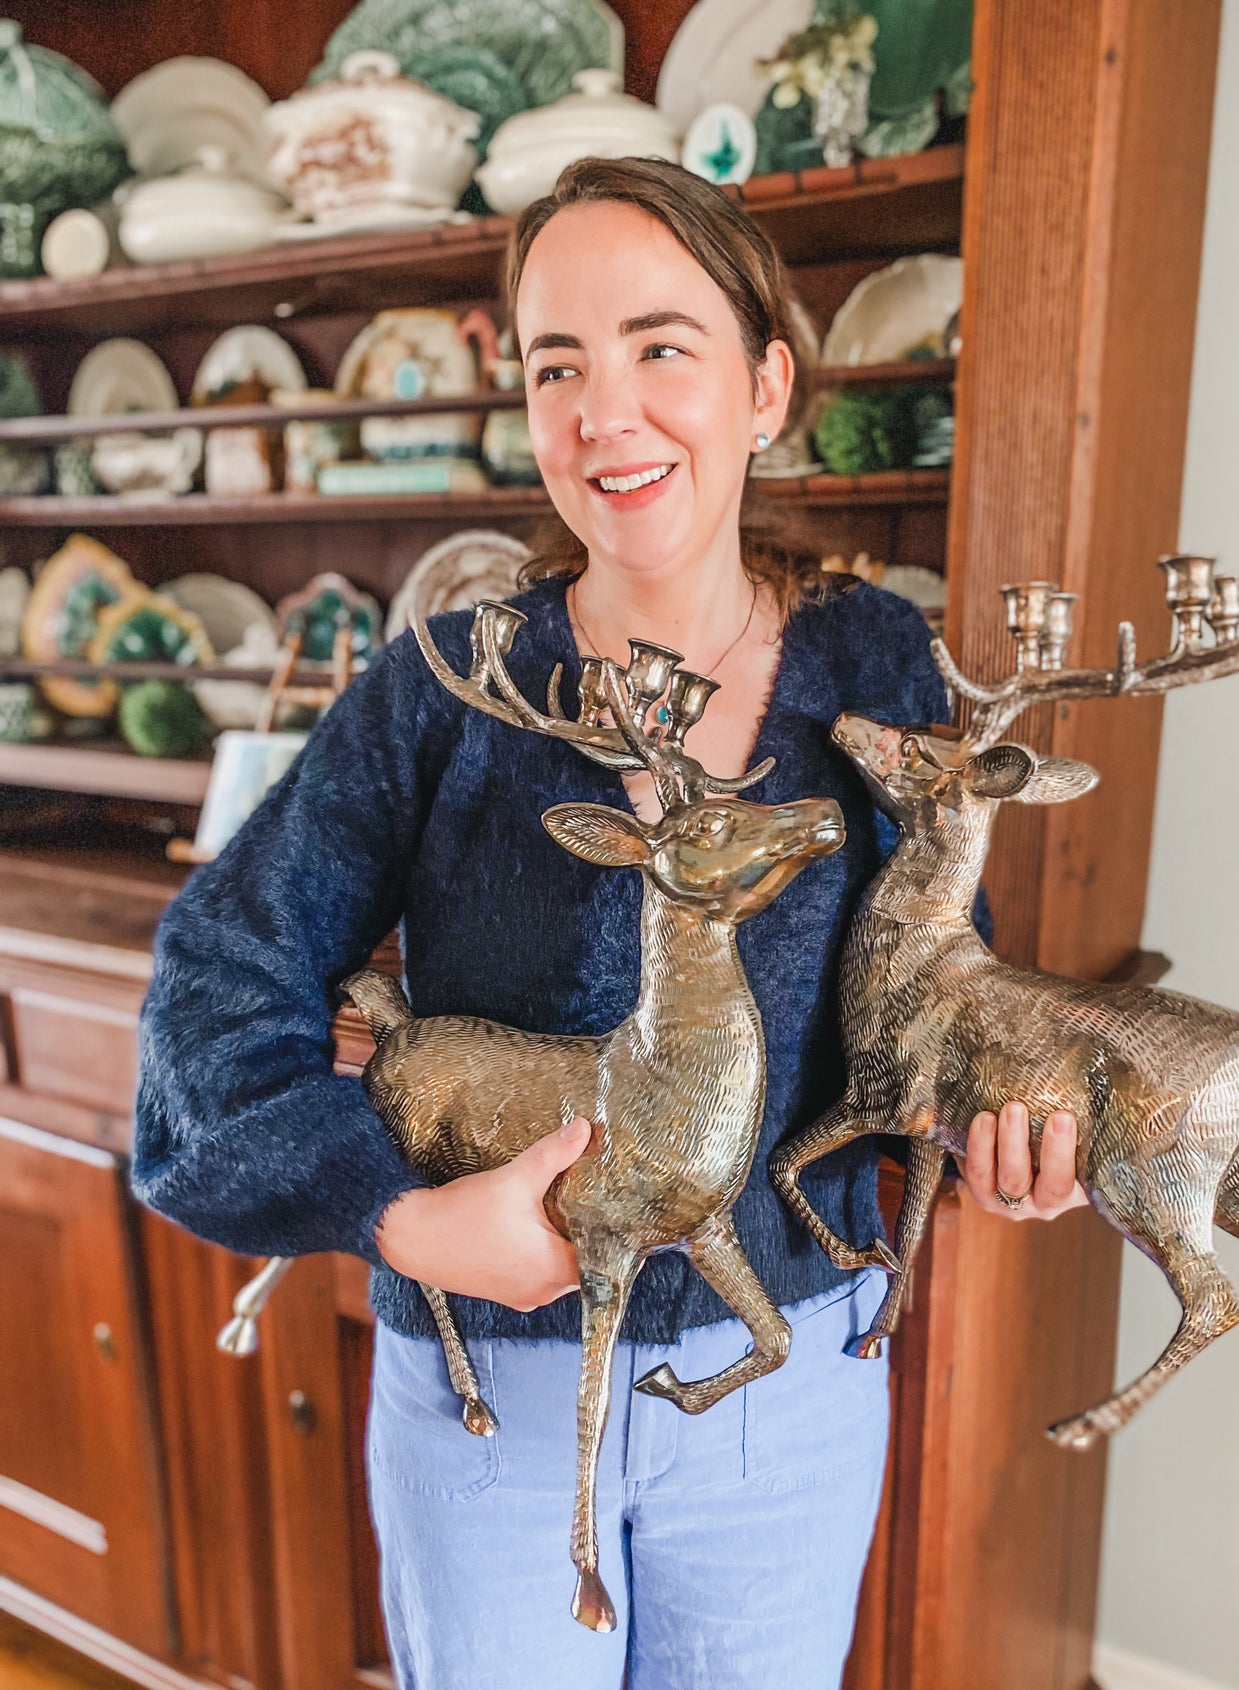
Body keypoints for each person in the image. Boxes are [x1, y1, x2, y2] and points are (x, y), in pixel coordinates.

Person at [132, 158, 1088, 1690]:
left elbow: (930, 1001)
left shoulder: (878, 661)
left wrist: (999, 1132)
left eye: (660, 346)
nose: (605, 413)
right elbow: (209, 990)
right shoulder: (439, 688)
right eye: (556, 365)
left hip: (783, 1385)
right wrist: (396, 1212)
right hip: (488, 1402)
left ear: (765, 385)